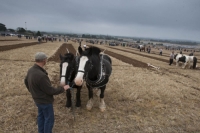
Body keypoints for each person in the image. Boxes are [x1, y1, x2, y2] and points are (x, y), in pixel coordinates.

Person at [24, 52, 70, 133]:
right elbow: (50, 91)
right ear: (44, 60)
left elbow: (26, 81)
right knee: (49, 119)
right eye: (46, 59)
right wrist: (63, 88)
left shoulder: (31, 70)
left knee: (41, 116)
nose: (46, 60)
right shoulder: (41, 76)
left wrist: (33, 92)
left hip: (37, 100)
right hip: (45, 101)